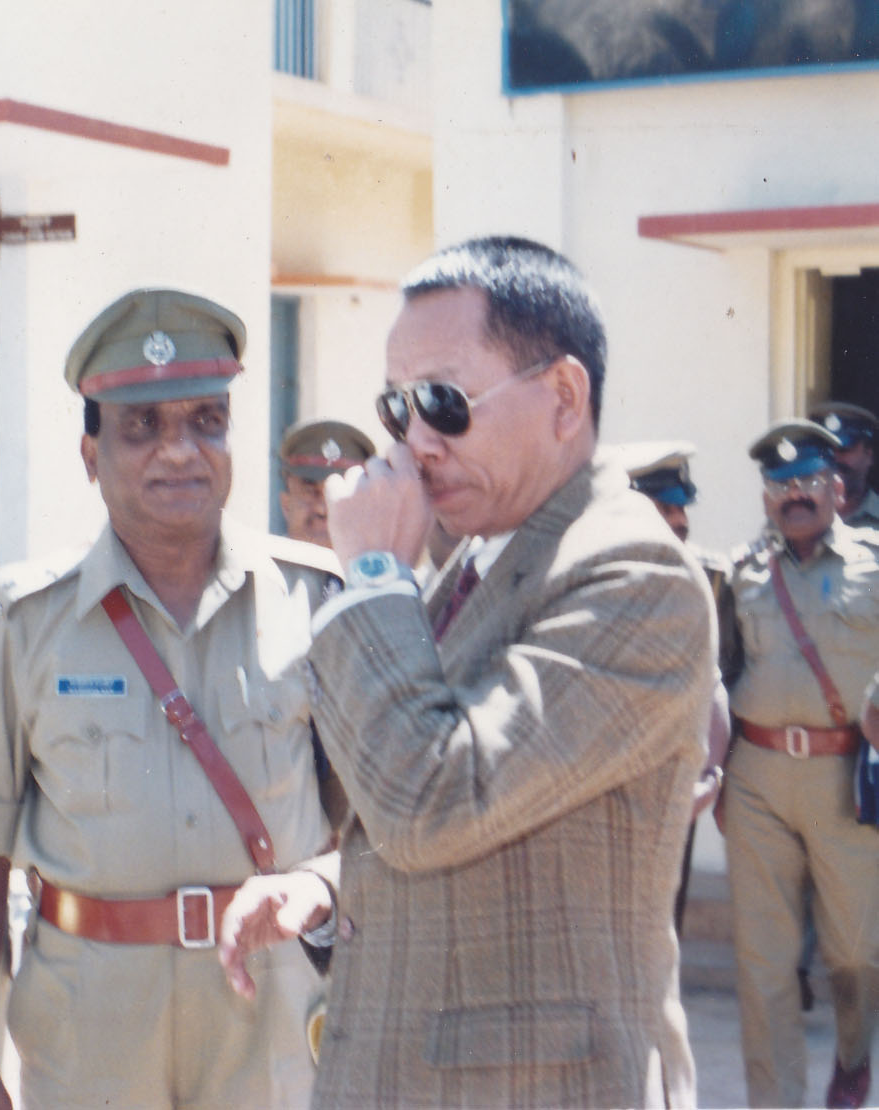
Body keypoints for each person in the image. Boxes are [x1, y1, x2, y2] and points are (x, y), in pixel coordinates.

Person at [231, 236, 713, 1106]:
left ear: (562, 396)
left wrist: (371, 577)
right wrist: (328, 883)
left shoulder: (631, 574)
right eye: (397, 408)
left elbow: (435, 802)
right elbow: (490, 827)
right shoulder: (480, 556)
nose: (415, 442)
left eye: (444, 403)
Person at [0, 288, 346, 1109]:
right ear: (90, 455)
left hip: (272, 1024)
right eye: (142, 427)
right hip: (90, 1036)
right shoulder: (24, 619)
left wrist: (324, 888)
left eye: (206, 421)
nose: (179, 451)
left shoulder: (311, 599)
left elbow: (368, 828)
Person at [720, 419, 879, 1110]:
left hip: (845, 781)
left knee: (856, 952)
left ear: (836, 488)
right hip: (757, 778)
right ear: (766, 497)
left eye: (809, 480)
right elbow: (719, 670)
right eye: (781, 485)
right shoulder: (741, 571)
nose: (796, 495)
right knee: (763, 965)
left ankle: (853, 1053)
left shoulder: (874, 563)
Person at [621, 442, 731, 934]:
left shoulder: (703, 580)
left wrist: (710, 776)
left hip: (675, 786)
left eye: (681, 508)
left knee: (665, 929)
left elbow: (716, 682)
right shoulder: (593, 579)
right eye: (665, 508)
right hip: (608, 788)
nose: (679, 520)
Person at [277, 418, 376, 549]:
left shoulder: (389, 562)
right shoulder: (258, 561)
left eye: (339, 493)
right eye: (310, 491)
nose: (322, 509)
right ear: (286, 504)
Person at [809, 400, 879, 527]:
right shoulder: (794, 519)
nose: (834, 458)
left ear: (869, 455)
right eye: (825, 450)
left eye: (844, 450)